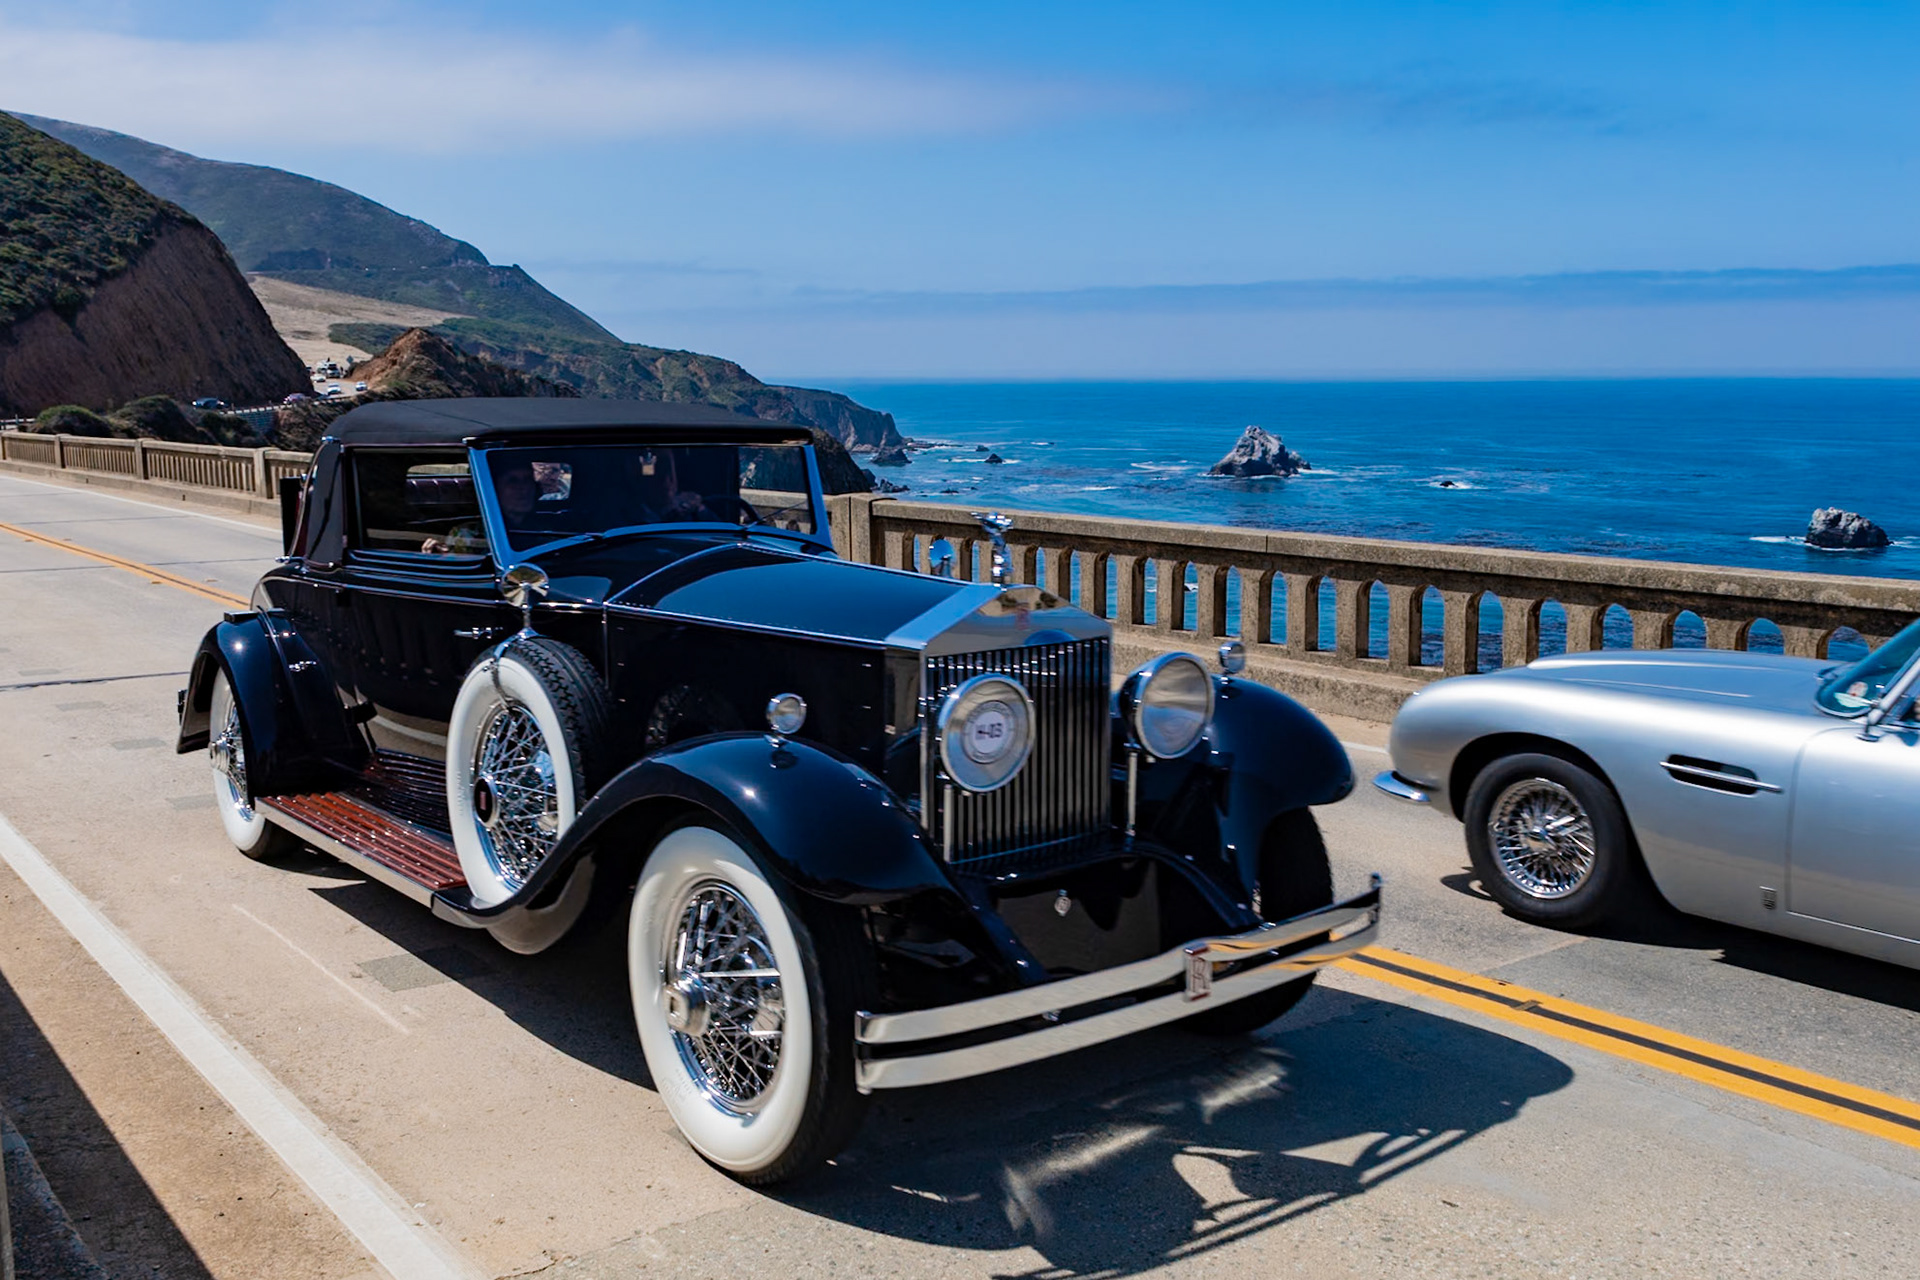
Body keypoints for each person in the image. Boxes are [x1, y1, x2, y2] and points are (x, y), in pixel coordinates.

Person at [422, 461, 542, 554]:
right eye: (512, 481)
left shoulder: (548, 527)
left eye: (527, 480)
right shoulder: (468, 533)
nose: (523, 489)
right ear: (495, 490)